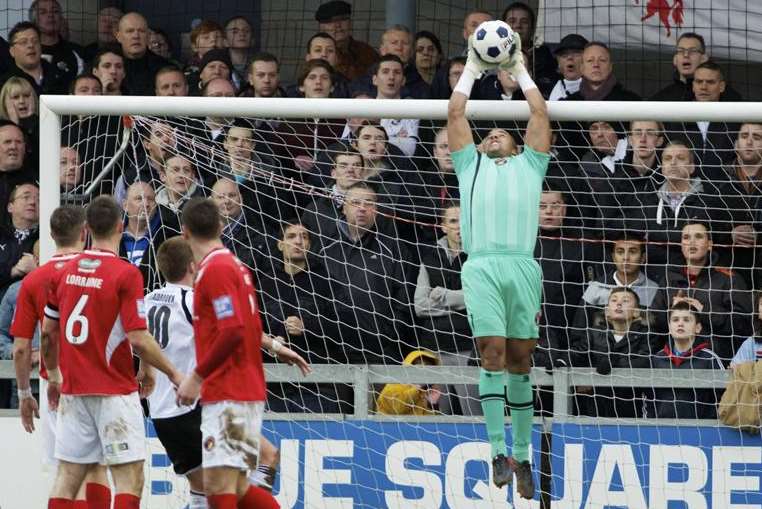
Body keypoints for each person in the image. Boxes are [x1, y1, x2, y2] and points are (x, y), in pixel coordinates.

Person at [447, 29, 551, 495]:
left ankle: (524, 458)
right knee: (490, 351)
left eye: (500, 132)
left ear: (515, 145)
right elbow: (455, 111)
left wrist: (518, 69)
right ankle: (496, 451)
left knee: (520, 360)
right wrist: (473, 66)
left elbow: (539, 112)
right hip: (483, 265)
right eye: (486, 133)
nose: (491, 135)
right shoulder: (470, 166)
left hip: (523, 266)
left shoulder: (533, 165)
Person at [41, 196, 183, 509]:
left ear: (86, 229)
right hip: (113, 390)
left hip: (74, 390)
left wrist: (53, 375)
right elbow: (138, 338)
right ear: (121, 225)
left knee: (67, 476)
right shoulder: (126, 273)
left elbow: (48, 334)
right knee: (129, 477)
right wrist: (170, 373)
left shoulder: (62, 272)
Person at [175, 197, 309, 509]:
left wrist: (196, 377)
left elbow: (232, 329)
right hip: (240, 387)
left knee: (219, 486)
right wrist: (275, 346)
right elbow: (246, 323)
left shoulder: (216, 270)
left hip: (229, 390)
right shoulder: (234, 265)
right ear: (221, 226)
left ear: (184, 233)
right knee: (233, 486)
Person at [10, 205, 112, 508]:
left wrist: (24, 393)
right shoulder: (102, 273)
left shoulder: (34, 280)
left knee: (66, 473)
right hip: (100, 383)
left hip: (57, 387)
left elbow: (20, 348)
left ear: (52, 236)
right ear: (85, 233)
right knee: (98, 469)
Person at [650, 221, 753, 363]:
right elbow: (654, 324)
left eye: (698, 236)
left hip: (717, 362)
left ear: (710, 244)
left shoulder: (729, 278)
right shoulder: (669, 278)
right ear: (681, 244)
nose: (691, 242)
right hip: (673, 363)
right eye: (686, 237)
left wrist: (705, 310)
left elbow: (744, 325)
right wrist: (673, 311)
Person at [570, 287, 651, 417]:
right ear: (607, 311)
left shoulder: (645, 335)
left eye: (625, 301)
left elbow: (644, 361)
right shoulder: (593, 333)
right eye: (614, 300)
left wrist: (612, 364)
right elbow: (577, 355)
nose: (619, 304)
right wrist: (561, 359)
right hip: (596, 405)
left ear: (636, 312)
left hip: (631, 405)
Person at [646, 301, 724, 419]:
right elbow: (648, 398)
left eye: (686, 320)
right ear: (669, 327)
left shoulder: (709, 358)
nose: (680, 324)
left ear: (698, 328)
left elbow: (722, 395)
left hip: (701, 430)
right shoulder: (657, 359)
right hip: (661, 429)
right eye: (675, 320)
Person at [315, 0, 379, 80]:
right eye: (331, 21)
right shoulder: (318, 54)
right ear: (322, 27)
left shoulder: (366, 51)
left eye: (343, 19)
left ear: (350, 23)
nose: (338, 25)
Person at [0, 21, 67, 95]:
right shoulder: (5, 83)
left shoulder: (60, 75)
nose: (31, 45)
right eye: (23, 42)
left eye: (35, 41)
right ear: (12, 51)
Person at [29, 0, 85, 84]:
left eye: (55, 11)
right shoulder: (28, 52)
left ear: (61, 18)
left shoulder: (77, 52)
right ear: (34, 20)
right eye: (43, 12)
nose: (50, 15)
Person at [114, 12, 170, 95]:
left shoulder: (163, 67)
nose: (136, 36)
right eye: (130, 31)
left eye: (141, 31)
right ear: (118, 36)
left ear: (148, 36)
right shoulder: (108, 66)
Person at [0, 183, 38, 302]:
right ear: (10, 207)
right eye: (26, 197)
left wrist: (38, 270)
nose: (32, 202)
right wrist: (14, 270)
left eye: (39, 199)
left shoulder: (49, 237)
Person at [376, 350, 442, 415]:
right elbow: (397, 409)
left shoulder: (426, 391)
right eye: (419, 366)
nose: (423, 371)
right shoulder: (393, 385)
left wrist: (433, 405)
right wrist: (418, 388)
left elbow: (434, 423)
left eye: (428, 367)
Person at [548, 34, 587, 101]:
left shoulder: (600, 90)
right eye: (564, 54)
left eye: (576, 53)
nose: (569, 57)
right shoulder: (549, 90)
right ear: (559, 64)